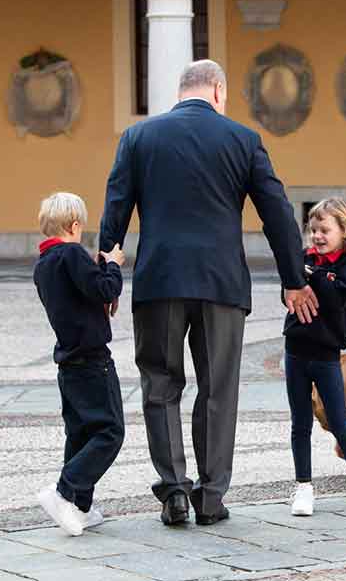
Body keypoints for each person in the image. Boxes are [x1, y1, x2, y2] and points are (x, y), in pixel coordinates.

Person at [98, 60, 318, 527]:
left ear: (181, 92)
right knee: (218, 389)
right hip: (221, 283)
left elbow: (115, 209)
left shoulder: (139, 138)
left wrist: (107, 282)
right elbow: (277, 212)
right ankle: (211, 495)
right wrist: (294, 279)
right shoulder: (242, 139)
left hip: (160, 281)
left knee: (160, 385)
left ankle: (173, 493)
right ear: (218, 90)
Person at [33, 192, 126, 536]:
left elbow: (79, 294)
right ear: (74, 225)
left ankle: (79, 506)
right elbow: (103, 290)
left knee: (80, 433)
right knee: (110, 431)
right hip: (92, 360)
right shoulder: (72, 253)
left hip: (68, 361)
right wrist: (113, 263)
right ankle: (63, 491)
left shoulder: (43, 263)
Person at [284, 198, 346, 516]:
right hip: (295, 351)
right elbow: (291, 287)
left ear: (344, 231)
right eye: (313, 230)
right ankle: (304, 487)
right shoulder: (303, 258)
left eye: (325, 230)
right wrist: (308, 276)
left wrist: (314, 277)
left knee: (339, 421)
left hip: (326, 356)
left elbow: (338, 297)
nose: (317, 237)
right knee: (300, 424)